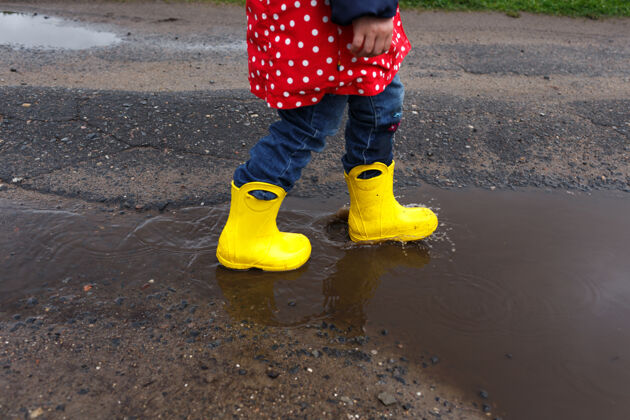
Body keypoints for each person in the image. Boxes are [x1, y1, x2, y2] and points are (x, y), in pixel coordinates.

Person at [217, 0, 438, 271]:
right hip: (325, 26)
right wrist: (368, 8)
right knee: (308, 125)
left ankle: (373, 215)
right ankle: (246, 236)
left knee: (380, 108)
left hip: (349, 23)